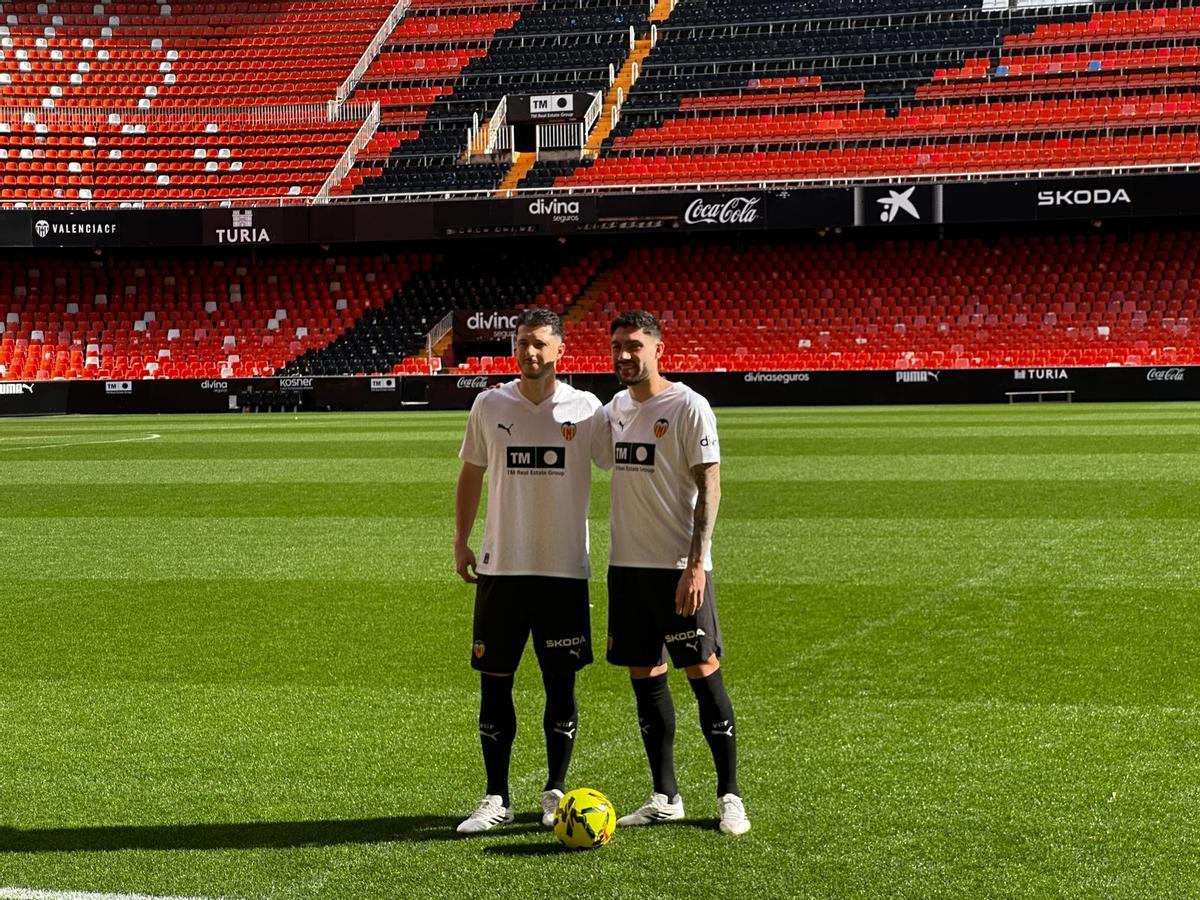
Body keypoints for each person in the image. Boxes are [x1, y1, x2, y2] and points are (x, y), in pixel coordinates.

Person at [453, 307, 608, 834]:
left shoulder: (588, 409)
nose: (530, 353)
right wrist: (461, 538)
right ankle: (496, 796)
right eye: (522, 343)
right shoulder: (489, 404)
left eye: (540, 343)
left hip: (563, 571)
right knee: (494, 685)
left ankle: (555, 793)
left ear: (561, 349)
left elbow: (628, 464)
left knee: (559, 686)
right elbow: (471, 472)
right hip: (502, 568)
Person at [603, 309, 750, 835]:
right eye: (617, 345)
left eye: (635, 345)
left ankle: (730, 794)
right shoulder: (614, 409)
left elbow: (710, 484)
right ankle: (665, 795)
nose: (624, 355)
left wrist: (696, 564)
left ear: (658, 349)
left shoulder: (689, 405)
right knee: (645, 678)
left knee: (703, 674)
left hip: (677, 570)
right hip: (627, 569)